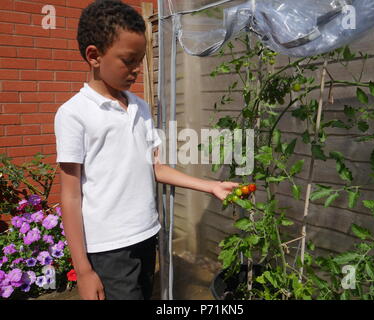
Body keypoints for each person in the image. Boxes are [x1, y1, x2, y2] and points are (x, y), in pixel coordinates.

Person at [54, 0, 238, 300]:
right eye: (129, 60)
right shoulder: (73, 114)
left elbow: (156, 168)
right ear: (94, 56)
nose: (138, 69)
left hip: (146, 234)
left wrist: (211, 186)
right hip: (109, 249)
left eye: (141, 59)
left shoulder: (139, 107)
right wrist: (84, 271)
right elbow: (70, 194)